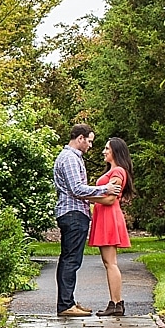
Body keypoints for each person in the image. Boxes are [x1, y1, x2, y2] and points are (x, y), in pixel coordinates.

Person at [52, 124, 120, 317]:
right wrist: (104, 189)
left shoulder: (70, 158)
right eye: (89, 141)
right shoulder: (70, 159)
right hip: (73, 214)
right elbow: (77, 189)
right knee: (70, 260)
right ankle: (65, 305)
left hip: (73, 213)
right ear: (80, 138)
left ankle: (69, 301)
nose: (91, 145)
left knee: (71, 259)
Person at [89, 137, 134, 316]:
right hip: (105, 217)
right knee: (109, 262)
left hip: (109, 217)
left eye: (107, 149)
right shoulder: (114, 171)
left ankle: (116, 303)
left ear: (115, 151)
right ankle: (115, 303)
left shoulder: (118, 172)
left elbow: (109, 199)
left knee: (110, 263)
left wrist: (85, 196)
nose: (103, 151)